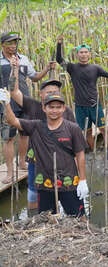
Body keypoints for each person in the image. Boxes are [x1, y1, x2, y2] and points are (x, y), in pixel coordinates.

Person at [0, 89, 88, 217]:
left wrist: (83, 180)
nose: (54, 110)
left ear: (64, 108)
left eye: (58, 107)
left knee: (80, 218)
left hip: (70, 183)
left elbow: (80, 155)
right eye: (51, 107)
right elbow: (12, 121)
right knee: (47, 220)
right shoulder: (35, 126)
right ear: (44, 108)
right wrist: (6, 103)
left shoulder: (73, 128)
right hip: (44, 185)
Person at [9, 57, 76, 212]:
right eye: (49, 92)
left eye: (56, 92)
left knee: (63, 191)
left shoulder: (67, 112)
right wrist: (14, 69)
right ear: (41, 95)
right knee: (33, 196)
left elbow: (75, 140)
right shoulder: (33, 106)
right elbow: (13, 92)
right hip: (37, 159)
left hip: (61, 160)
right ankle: (37, 221)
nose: (53, 94)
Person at [1, 32, 53, 182]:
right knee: (8, 138)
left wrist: (47, 68)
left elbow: (35, 77)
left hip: (24, 101)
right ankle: (10, 172)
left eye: (15, 43)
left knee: (25, 134)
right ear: (2, 44)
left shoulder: (23, 58)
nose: (13, 46)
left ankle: (22, 161)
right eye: (10, 43)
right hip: (5, 104)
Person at [56, 35, 108, 150]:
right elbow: (59, 59)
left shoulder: (95, 68)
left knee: (103, 129)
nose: (83, 54)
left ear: (89, 54)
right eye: (81, 52)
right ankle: (94, 153)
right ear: (77, 54)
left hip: (95, 105)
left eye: (86, 52)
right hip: (80, 107)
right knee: (88, 132)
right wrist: (59, 44)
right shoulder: (72, 68)